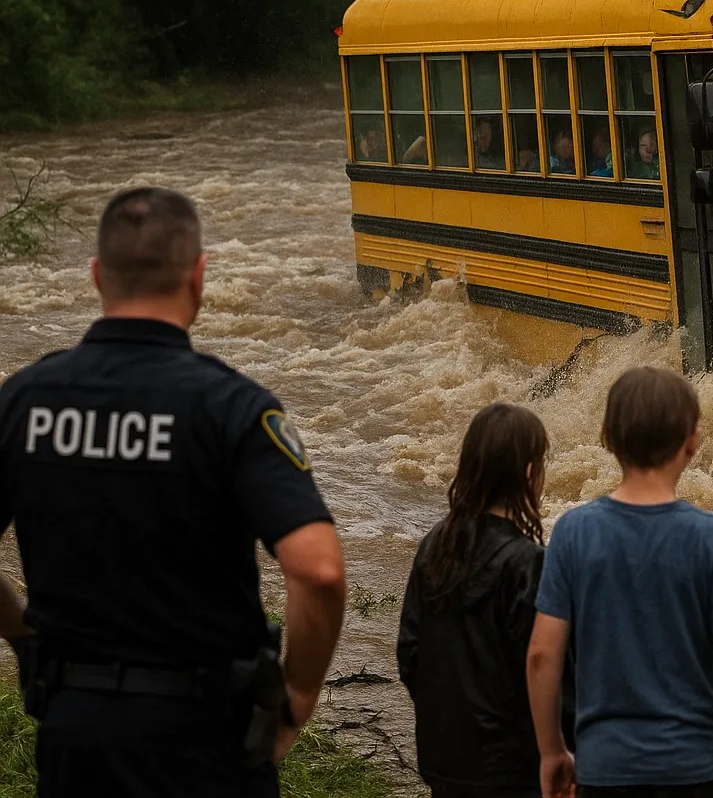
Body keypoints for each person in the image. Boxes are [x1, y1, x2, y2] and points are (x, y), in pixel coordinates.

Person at [0, 186, 347, 797]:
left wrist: (23, 635)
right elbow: (318, 570)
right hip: (204, 739)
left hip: (74, 734)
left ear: (96, 276)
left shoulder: (24, 401)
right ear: (199, 276)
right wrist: (298, 692)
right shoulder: (232, 408)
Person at [527, 367, 713, 798]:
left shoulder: (574, 532)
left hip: (605, 768)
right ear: (692, 441)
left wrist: (552, 752)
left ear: (607, 438)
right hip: (696, 769)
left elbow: (543, 655)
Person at [397, 403, 572, 798]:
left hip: (444, 756)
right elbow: (544, 670)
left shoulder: (435, 544)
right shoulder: (528, 562)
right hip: (511, 767)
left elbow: (410, 651)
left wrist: (446, 714)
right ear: (530, 473)